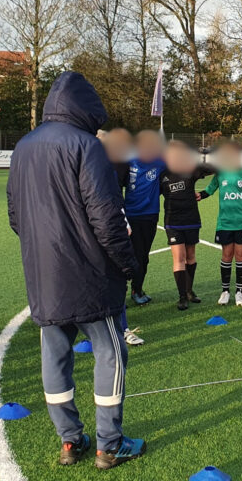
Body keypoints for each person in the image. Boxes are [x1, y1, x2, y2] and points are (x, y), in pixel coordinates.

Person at [7, 71, 144, 470]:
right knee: (111, 353)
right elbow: (106, 217)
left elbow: (15, 215)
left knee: (54, 355)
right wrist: (128, 264)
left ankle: (69, 440)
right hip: (90, 273)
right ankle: (109, 444)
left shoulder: (23, 146)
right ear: (88, 108)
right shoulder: (87, 146)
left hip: (43, 273)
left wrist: (43, 249)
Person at [99, 129, 145, 346]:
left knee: (115, 278)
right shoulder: (86, 169)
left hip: (112, 223)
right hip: (92, 230)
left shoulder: (113, 169)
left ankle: (123, 329)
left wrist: (123, 222)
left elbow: (115, 200)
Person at [199, 140, 242, 306]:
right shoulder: (220, 173)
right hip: (224, 223)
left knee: (240, 255)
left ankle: (239, 292)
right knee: (226, 255)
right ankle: (225, 291)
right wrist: (200, 195)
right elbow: (210, 190)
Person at [160, 140, 214, 310]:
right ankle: (182, 296)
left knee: (190, 256)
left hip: (191, 219)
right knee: (179, 258)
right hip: (173, 221)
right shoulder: (163, 174)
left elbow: (214, 168)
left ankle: (190, 291)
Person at [124, 131, 167, 305]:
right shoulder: (128, 160)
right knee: (125, 255)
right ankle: (121, 292)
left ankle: (137, 289)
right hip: (129, 216)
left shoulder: (159, 161)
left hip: (149, 215)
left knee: (143, 255)